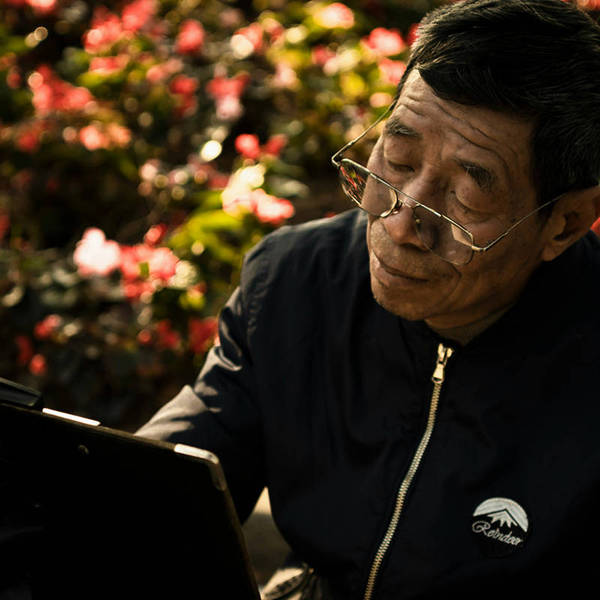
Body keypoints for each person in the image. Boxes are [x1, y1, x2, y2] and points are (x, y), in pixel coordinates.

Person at [136, 0, 600, 597]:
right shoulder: (297, 283)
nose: (401, 223)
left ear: (565, 222)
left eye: (466, 197)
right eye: (398, 159)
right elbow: (163, 489)